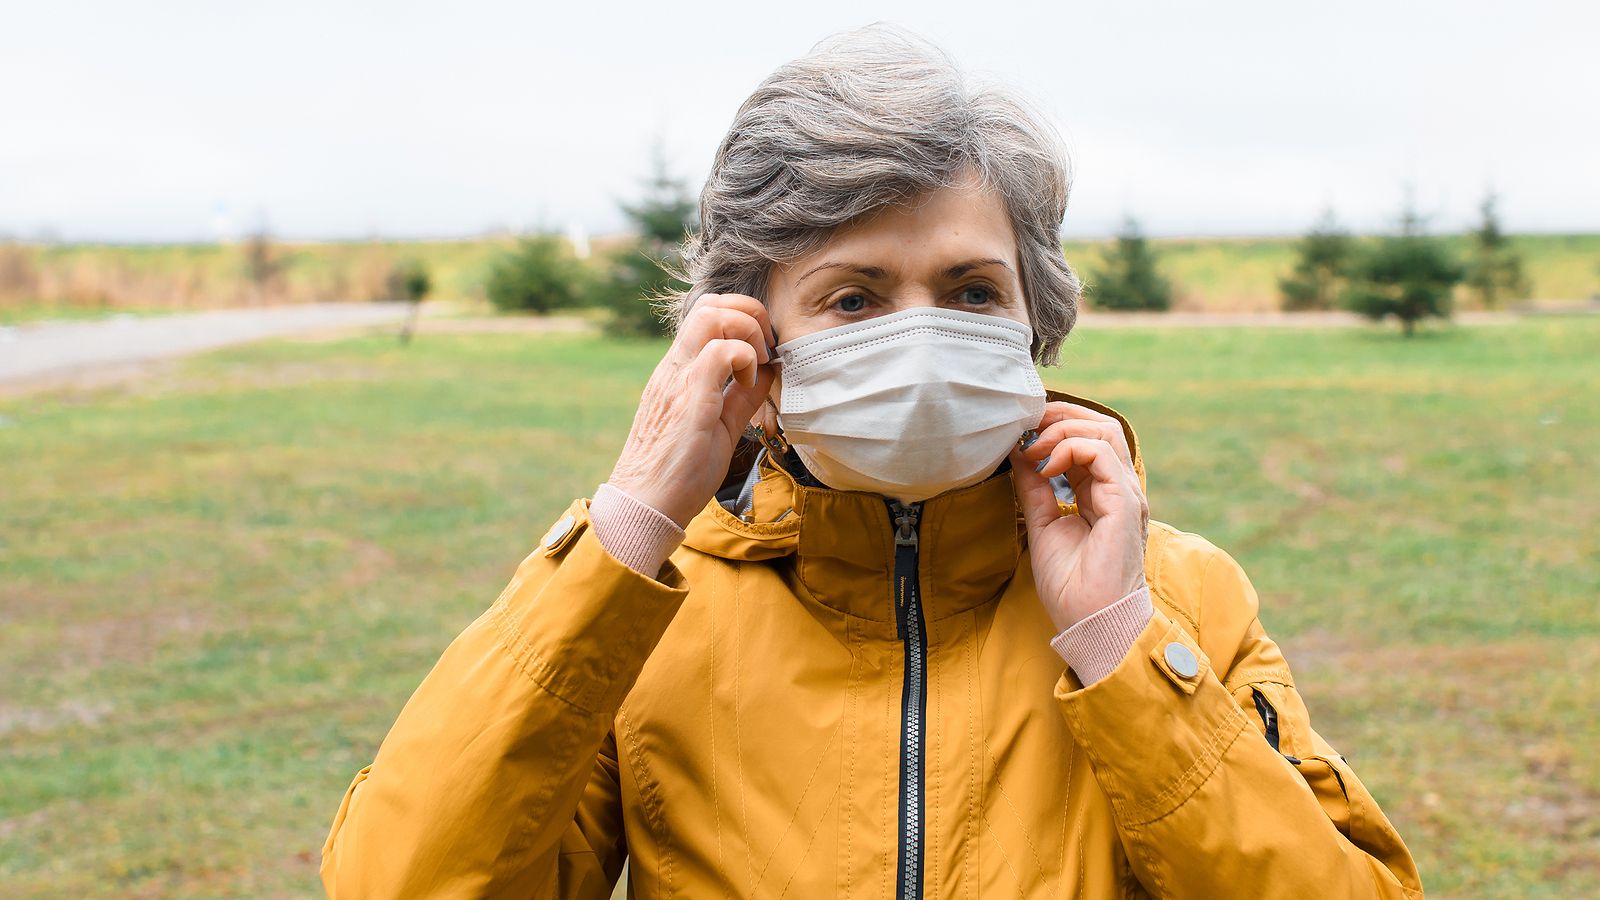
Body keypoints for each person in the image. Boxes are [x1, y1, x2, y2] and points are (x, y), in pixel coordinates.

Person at [320, 25, 1423, 900]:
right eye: (853, 299)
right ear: (753, 344)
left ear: (1033, 319)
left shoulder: (1176, 603)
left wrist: (1116, 648)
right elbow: (396, 884)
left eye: (971, 291)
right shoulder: (649, 612)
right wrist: (628, 535)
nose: (925, 339)